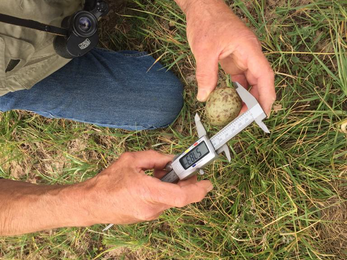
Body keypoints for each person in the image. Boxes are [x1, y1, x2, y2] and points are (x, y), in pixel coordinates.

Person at [0, 0, 275, 236]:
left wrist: (202, 8)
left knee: (162, 97)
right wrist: (88, 202)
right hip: (12, 76)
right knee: (162, 101)